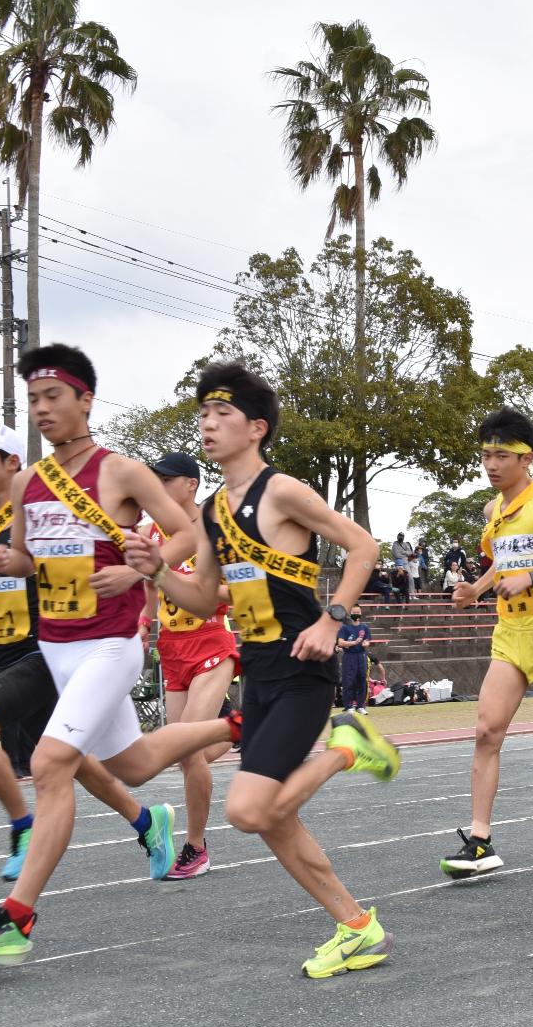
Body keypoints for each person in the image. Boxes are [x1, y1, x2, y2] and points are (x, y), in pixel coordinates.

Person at [0, 345, 252, 967]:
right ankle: (245, 723)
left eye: (53, 397)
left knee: (52, 764)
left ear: (85, 400)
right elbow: (30, 559)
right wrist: (6, 562)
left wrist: (139, 574)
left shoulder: (122, 472)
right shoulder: (28, 483)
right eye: (33, 400)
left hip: (111, 644)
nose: (43, 410)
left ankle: (14, 921)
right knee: (130, 767)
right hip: (54, 649)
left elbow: (183, 532)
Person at [121, 362, 404, 975]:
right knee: (278, 820)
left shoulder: (283, 492)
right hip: (260, 673)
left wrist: (332, 619)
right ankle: (358, 927)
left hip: (304, 671)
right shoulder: (215, 514)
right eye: (203, 414)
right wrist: (157, 572)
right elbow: (203, 600)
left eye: (222, 414)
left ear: (256, 428)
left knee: (251, 812)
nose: (208, 424)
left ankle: (347, 749)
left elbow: (364, 546)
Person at [0, 423, 169, 881]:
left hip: (40, 651)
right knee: (77, 765)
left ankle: (23, 827)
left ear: (13, 463)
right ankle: (147, 823)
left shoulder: (44, 509)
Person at [446, 408, 533, 876]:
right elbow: (501, 564)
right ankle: (480, 840)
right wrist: (474, 591)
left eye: (502, 455)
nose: (491, 464)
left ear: (528, 458)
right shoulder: (492, 510)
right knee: (486, 731)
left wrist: (532, 579)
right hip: (510, 633)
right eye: (486, 455)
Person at [142, 450, 241, 879]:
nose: (157, 487)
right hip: (172, 648)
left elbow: (236, 593)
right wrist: (146, 625)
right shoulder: (152, 532)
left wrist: (188, 586)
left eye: (166, 479)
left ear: (190, 484)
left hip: (211, 642)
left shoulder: (213, 528)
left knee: (187, 746)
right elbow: (148, 584)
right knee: (184, 754)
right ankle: (241, 728)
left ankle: (196, 846)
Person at [335, 608, 372, 710]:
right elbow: (340, 643)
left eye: (358, 612)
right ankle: (348, 706)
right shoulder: (345, 628)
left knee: (362, 680)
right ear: (350, 614)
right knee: (348, 681)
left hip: (361, 656)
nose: (356, 614)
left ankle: (361, 706)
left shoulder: (364, 627)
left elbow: (367, 641)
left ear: (361, 613)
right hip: (349, 656)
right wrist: (354, 643)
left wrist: (366, 644)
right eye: (354, 613)